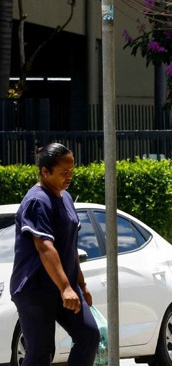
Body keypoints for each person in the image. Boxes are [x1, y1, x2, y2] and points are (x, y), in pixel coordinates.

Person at [10, 143, 99, 366]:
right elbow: (44, 247)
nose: (69, 177)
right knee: (41, 352)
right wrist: (66, 288)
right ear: (45, 171)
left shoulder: (65, 197)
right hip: (36, 288)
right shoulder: (37, 201)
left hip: (64, 286)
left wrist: (81, 284)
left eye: (72, 172)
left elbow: (70, 246)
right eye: (64, 173)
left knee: (89, 336)